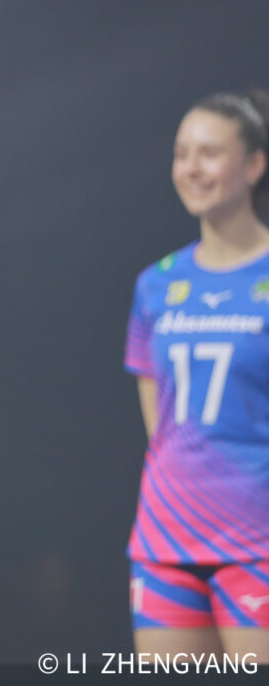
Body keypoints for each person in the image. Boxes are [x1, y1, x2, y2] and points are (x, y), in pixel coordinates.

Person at [124, 90, 269, 658]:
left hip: (257, 542)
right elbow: (160, 431)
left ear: (254, 164)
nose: (191, 168)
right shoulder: (155, 284)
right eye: (182, 153)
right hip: (165, 541)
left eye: (209, 153)